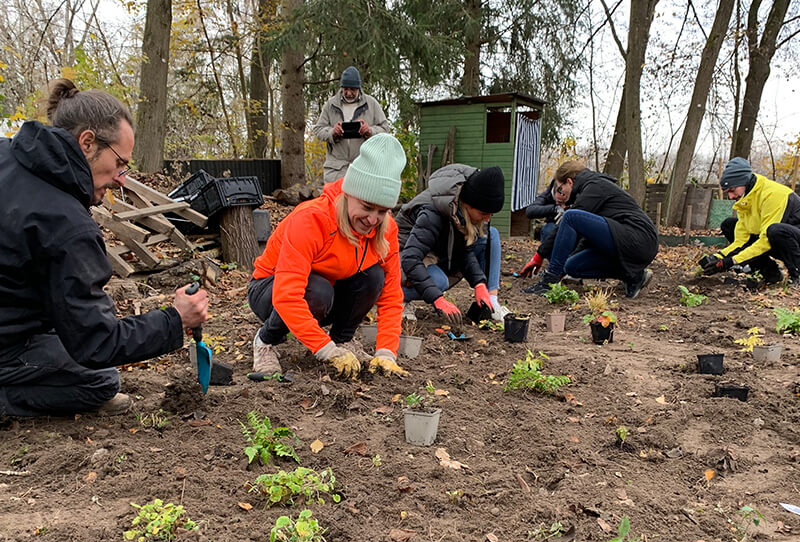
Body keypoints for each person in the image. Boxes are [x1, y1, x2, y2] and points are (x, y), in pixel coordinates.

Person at [0, 79, 208, 419]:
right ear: (87, 142)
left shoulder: (7, 154)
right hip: (8, 341)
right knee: (99, 380)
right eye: (120, 163)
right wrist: (175, 318)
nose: (122, 178)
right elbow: (96, 344)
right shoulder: (65, 224)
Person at [249, 133, 408, 380]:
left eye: (382, 211)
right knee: (317, 290)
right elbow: (287, 296)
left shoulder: (386, 229)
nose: (373, 220)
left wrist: (387, 352)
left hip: (329, 291)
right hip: (270, 291)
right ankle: (265, 341)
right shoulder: (311, 219)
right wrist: (325, 351)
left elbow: (390, 295)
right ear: (348, 194)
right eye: (366, 207)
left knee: (374, 276)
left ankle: (343, 339)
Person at [525, 160, 658, 298]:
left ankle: (548, 283)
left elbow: (569, 221)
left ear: (569, 182)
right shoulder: (588, 191)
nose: (560, 194)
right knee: (571, 266)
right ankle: (635, 276)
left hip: (641, 238)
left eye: (559, 188)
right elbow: (587, 237)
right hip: (624, 239)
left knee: (570, 216)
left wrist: (539, 257)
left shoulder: (595, 186)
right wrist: (565, 265)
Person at [395, 164, 507, 323]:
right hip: (400, 255)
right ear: (467, 205)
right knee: (438, 281)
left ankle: (492, 302)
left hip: (434, 252)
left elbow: (465, 251)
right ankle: (392, 297)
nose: (487, 218)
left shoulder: (461, 211)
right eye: (483, 213)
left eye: (491, 214)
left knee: (491, 235)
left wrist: (479, 283)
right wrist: (437, 299)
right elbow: (410, 258)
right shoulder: (432, 212)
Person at [698, 157, 800, 286]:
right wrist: (719, 258)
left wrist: (733, 261)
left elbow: (765, 241)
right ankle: (770, 273)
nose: (731, 197)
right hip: (777, 241)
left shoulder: (773, 194)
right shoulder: (745, 199)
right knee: (729, 225)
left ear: (744, 181)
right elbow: (741, 241)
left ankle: (797, 275)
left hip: (792, 241)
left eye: (732, 190)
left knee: (775, 230)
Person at [311, 67, 392, 184]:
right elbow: (318, 130)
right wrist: (332, 132)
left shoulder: (371, 104)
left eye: (353, 89)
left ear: (359, 88)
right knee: (335, 201)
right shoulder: (330, 104)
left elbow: (385, 129)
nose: (349, 93)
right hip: (336, 170)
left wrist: (370, 131)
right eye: (346, 89)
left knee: (360, 202)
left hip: (363, 167)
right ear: (341, 88)